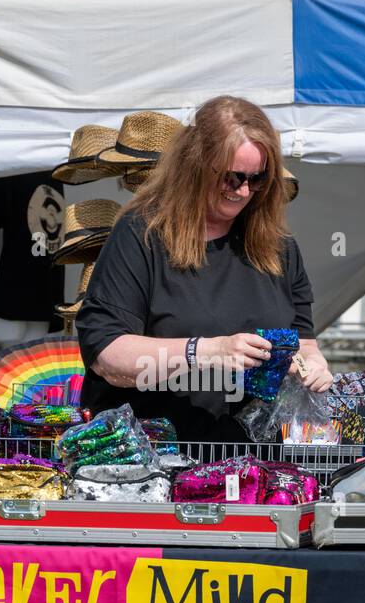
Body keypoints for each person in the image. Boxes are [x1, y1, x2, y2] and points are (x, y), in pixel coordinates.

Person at [78, 95, 333, 442]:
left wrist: (313, 366)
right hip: (154, 458)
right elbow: (106, 355)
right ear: (196, 164)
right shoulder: (142, 235)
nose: (243, 191)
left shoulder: (278, 248)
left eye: (257, 179)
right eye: (232, 178)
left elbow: (303, 342)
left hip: (252, 464)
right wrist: (207, 351)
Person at [0, 171, 68, 347]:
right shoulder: (55, 172)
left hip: (15, 279)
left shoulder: (8, 168)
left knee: (10, 358)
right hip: (45, 280)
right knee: (33, 358)